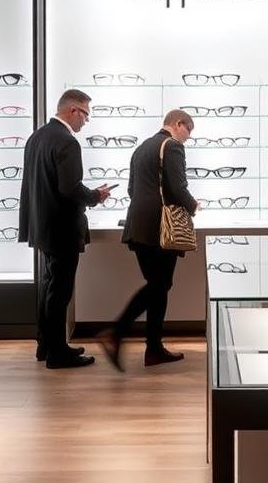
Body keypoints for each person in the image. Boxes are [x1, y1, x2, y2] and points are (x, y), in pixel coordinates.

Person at [18, 89, 111, 369]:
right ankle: (58, 354)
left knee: (49, 286)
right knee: (60, 291)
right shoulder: (67, 142)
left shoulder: (37, 137)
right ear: (73, 111)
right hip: (61, 227)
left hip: (42, 225)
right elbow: (69, 187)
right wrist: (95, 196)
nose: (85, 121)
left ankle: (47, 345)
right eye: (86, 115)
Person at [102, 109, 198, 369]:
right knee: (159, 285)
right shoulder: (173, 146)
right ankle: (117, 332)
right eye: (189, 131)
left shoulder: (143, 147)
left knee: (158, 285)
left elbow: (133, 189)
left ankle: (153, 349)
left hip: (138, 226)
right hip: (161, 229)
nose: (188, 138)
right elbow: (179, 188)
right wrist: (194, 206)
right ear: (179, 124)